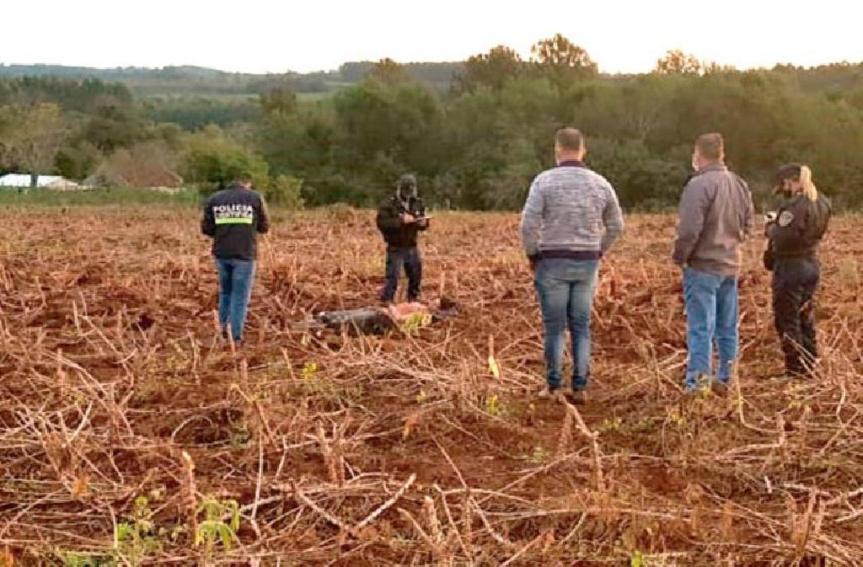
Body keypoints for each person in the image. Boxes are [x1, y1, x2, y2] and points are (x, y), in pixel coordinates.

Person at [520, 128, 624, 403]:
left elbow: (528, 225)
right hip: (587, 263)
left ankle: (553, 386)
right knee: (581, 326)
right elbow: (617, 225)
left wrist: (533, 255)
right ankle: (580, 386)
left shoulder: (544, 182)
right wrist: (599, 249)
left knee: (554, 328)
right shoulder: (600, 183)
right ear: (583, 150)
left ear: (557, 150)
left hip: (552, 261)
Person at [672, 133, 754, 392]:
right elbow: (749, 223)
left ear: (698, 154)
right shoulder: (739, 184)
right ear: (722, 153)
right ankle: (728, 378)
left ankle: (697, 384)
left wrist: (680, 257)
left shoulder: (698, 185)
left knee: (700, 327)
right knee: (727, 326)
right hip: (730, 265)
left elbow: (688, 230)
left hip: (703, 266)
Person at [764, 164, 831, 377]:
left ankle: (795, 369)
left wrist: (771, 226)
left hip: (790, 267)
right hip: (810, 263)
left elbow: (783, 237)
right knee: (805, 316)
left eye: (784, 184)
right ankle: (810, 362)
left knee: (787, 318)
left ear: (792, 181)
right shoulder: (821, 202)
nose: (784, 188)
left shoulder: (794, 206)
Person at [201, 173, 270, 344]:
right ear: (247, 183)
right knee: (240, 297)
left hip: (221, 254)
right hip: (244, 254)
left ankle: (223, 332)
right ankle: (236, 337)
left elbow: (206, 229)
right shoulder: (255, 198)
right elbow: (264, 227)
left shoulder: (214, 199)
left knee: (225, 293)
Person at [376, 174, 428, 304]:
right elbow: (382, 223)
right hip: (395, 246)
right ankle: (387, 300)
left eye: (411, 190)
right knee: (393, 276)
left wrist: (423, 223)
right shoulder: (388, 203)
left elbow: (422, 221)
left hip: (411, 245)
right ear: (400, 188)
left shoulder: (417, 203)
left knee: (416, 274)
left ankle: (413, 300)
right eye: (406, 190)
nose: (409, 194)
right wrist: (401, 221)